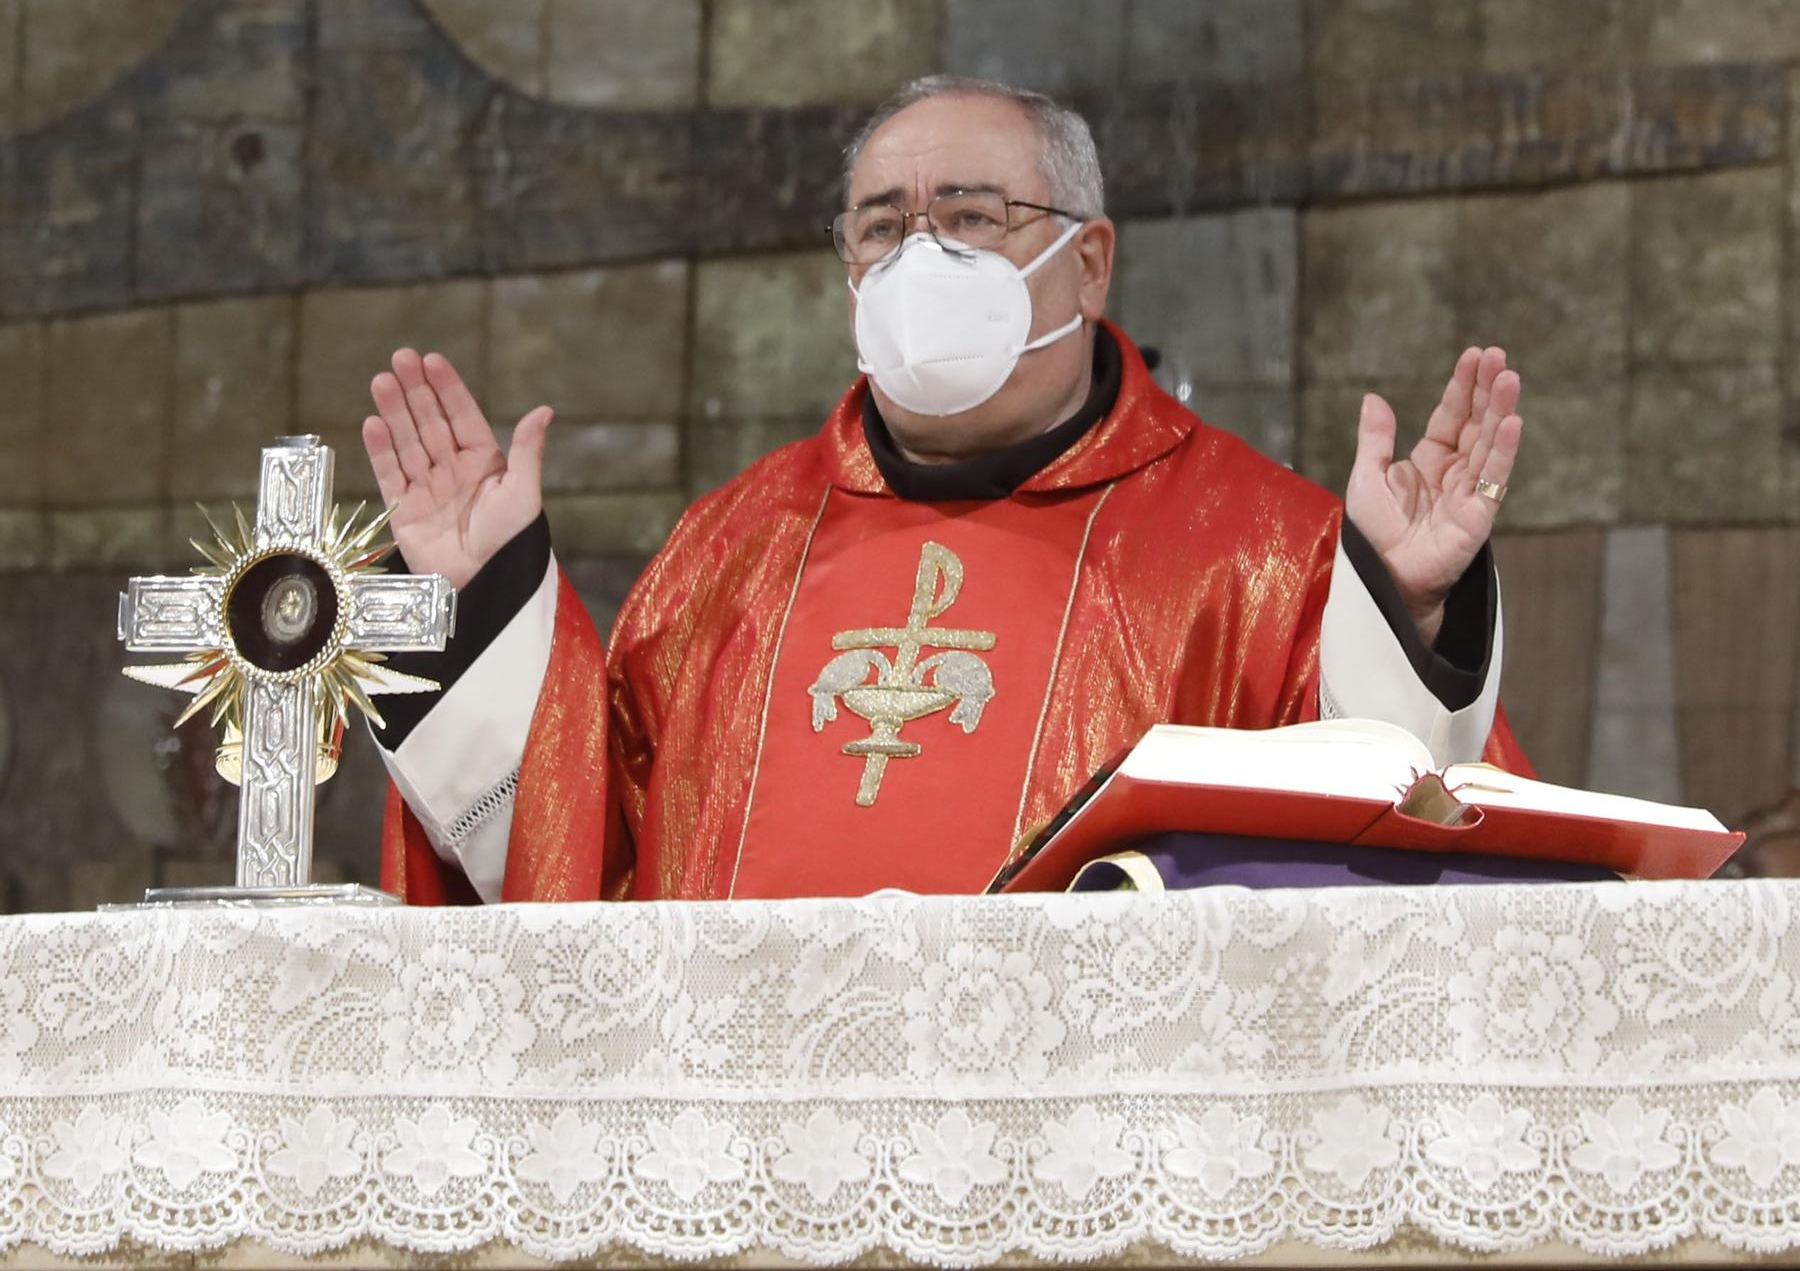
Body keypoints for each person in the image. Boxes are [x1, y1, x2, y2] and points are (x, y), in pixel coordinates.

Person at [360, 75, 1529, 904]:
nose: (922, 256)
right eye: (882, 226)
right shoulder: (729, 548)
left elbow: (1388, 885)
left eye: (971, 216)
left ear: (1087, 260)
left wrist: (1404, 620)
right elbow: (583, 875)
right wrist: (487, 620)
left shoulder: (1265, 552)